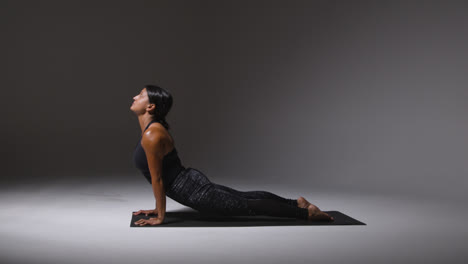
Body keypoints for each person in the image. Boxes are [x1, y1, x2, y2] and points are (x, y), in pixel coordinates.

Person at [130, 85, 334, 226]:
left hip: (193, 191)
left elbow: (157, 179)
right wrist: (157, 208)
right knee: (245, 197)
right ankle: (297, 202)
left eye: (140, 95)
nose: (134, 97)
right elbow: (159, 176)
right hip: (191, 183)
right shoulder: (152, 130)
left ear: (151, 106)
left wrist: (160, 216)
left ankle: (306, 213)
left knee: (246, 205)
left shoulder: (151, 135)